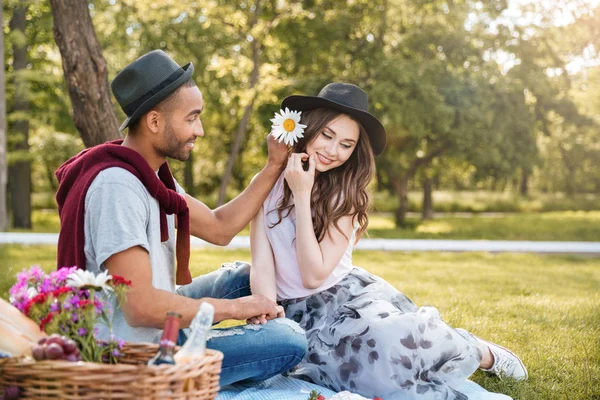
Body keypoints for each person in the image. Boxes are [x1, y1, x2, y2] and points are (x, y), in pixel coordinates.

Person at [249, 82, 528, 399]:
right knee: (365, 380)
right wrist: (266, 306)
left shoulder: (346, 197)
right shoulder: (266, 183)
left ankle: (476, 349)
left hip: (345, 302)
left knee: (389, 345)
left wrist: (301, 194)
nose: (331, 150)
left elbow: (313, 274)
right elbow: (261, 259)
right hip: (297, 313)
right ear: (307, 128)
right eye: (326, 135)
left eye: (346, 144)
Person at [55, 50, 306, 386]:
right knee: (289, 340)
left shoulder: (153, 176)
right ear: (155, 121)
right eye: (191, 118)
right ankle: (193, 382)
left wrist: (274, 165)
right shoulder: (118, 186)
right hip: (137, 351)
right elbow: (141, 307)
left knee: (245, 277)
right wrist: (235, 310)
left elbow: (220, 228)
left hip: (158, 317)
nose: (199, 130)